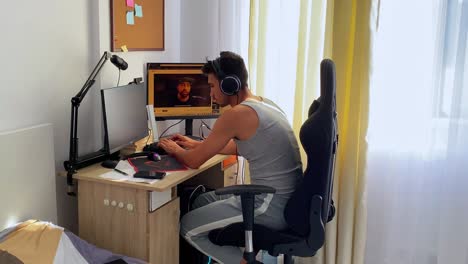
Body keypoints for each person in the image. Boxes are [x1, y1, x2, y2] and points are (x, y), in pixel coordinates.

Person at [158, 51, 303, 264]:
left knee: (188, 227)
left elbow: (193, 161)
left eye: (212, 86)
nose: (211, 93)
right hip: (287, 201)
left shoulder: (236, 115)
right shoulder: (264, 103)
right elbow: (245, 144)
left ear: (228, 85)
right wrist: (198, 145)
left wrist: (174, 149)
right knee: (201, 201)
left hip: (270, 206)